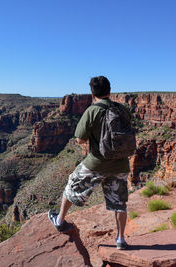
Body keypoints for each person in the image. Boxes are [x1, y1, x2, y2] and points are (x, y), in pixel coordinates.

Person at [48, 76, 131, 250]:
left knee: (72, 184)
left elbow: (79, 139)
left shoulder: (92, 110)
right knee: (119, 203)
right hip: (121, 164)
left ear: (92, 93)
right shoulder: (123, 109)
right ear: (110, 90)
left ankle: (60, 220)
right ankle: (121, 239)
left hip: (96, 163)